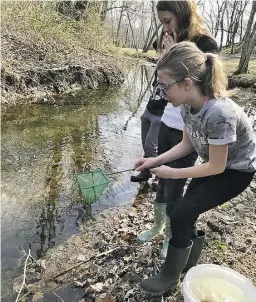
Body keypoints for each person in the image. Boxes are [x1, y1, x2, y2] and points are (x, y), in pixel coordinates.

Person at [134, 41, 256, 295]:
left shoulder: (220, 113)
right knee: (187, 211)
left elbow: (216, 166)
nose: (162, 91)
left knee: (180, 214)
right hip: (215, 166)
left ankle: (169, 277)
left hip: (236, 172)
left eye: (165, 86)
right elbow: (187, 147)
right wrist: (154, 161)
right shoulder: (188, 108)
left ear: (187, 84)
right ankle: (189, 266)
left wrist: (173, 173)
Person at [136, 0, 219, 258]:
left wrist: (174, 55)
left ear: (182, 15)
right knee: (161, 179)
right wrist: (164, 57)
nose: (165, 28)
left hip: (188, 128)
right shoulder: (167, 37)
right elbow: (164, 79)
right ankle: (157, 225)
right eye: (162, 23)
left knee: (174, 185)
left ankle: (171, 236)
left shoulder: (205, 44)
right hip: (167, 120)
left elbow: (200, 85)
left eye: (168, 21)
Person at [130, 39, 167, 183]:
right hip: (149, 110)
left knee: (150, 146)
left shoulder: (175, 68)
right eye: (158, 50)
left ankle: (159, 175)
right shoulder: (159, 66)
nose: (159, 53)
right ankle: (145, 173)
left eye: (162, 49)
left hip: (161, 114)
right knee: (145, 143)